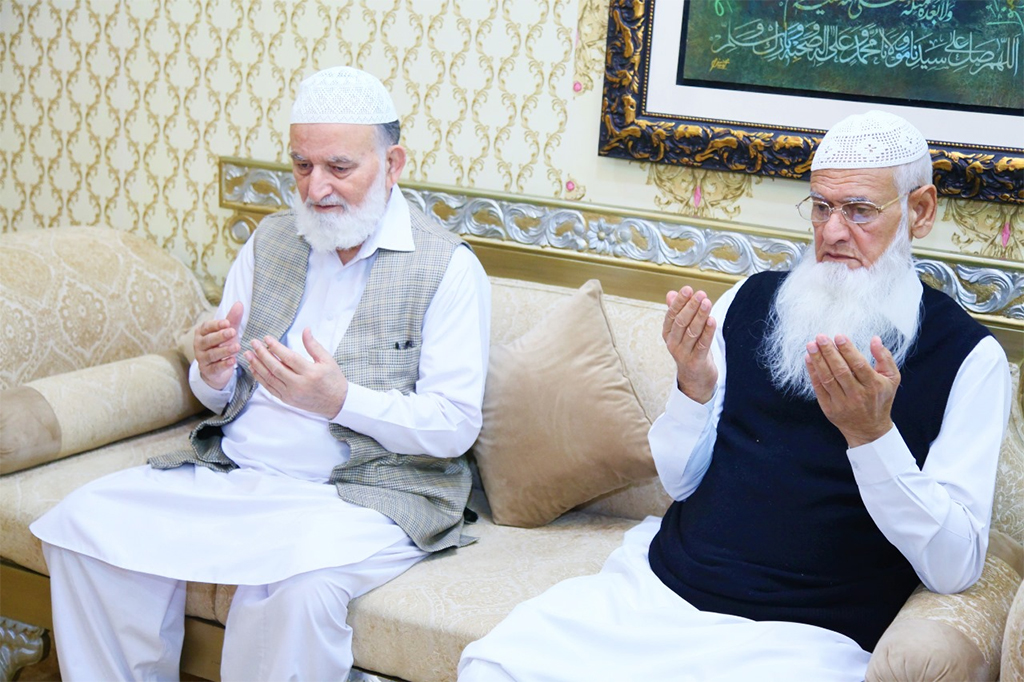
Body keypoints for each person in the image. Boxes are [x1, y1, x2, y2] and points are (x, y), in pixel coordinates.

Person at [457, 110, 1010, 681]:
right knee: (498, 667)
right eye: (821, 207)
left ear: (919, 211)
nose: (833, 232)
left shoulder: (970, 358)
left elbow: (956, 566)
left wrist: (872, 436)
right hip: (658, 595)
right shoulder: (746, 300)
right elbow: (678, 482)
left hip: (802, 637)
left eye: (860, 210)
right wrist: (693, 387)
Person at [31, 65, 491, 681]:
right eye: (302, 166)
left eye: (339, 168)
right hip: (240, 473)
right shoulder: (271, 240)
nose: (315, 188)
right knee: (85, 526)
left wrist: (339, 399)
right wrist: (213, 370)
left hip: (360, 497)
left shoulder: (451, 269)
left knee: (290, 592)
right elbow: (213, 390)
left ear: (394, 163)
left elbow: (454, 426)